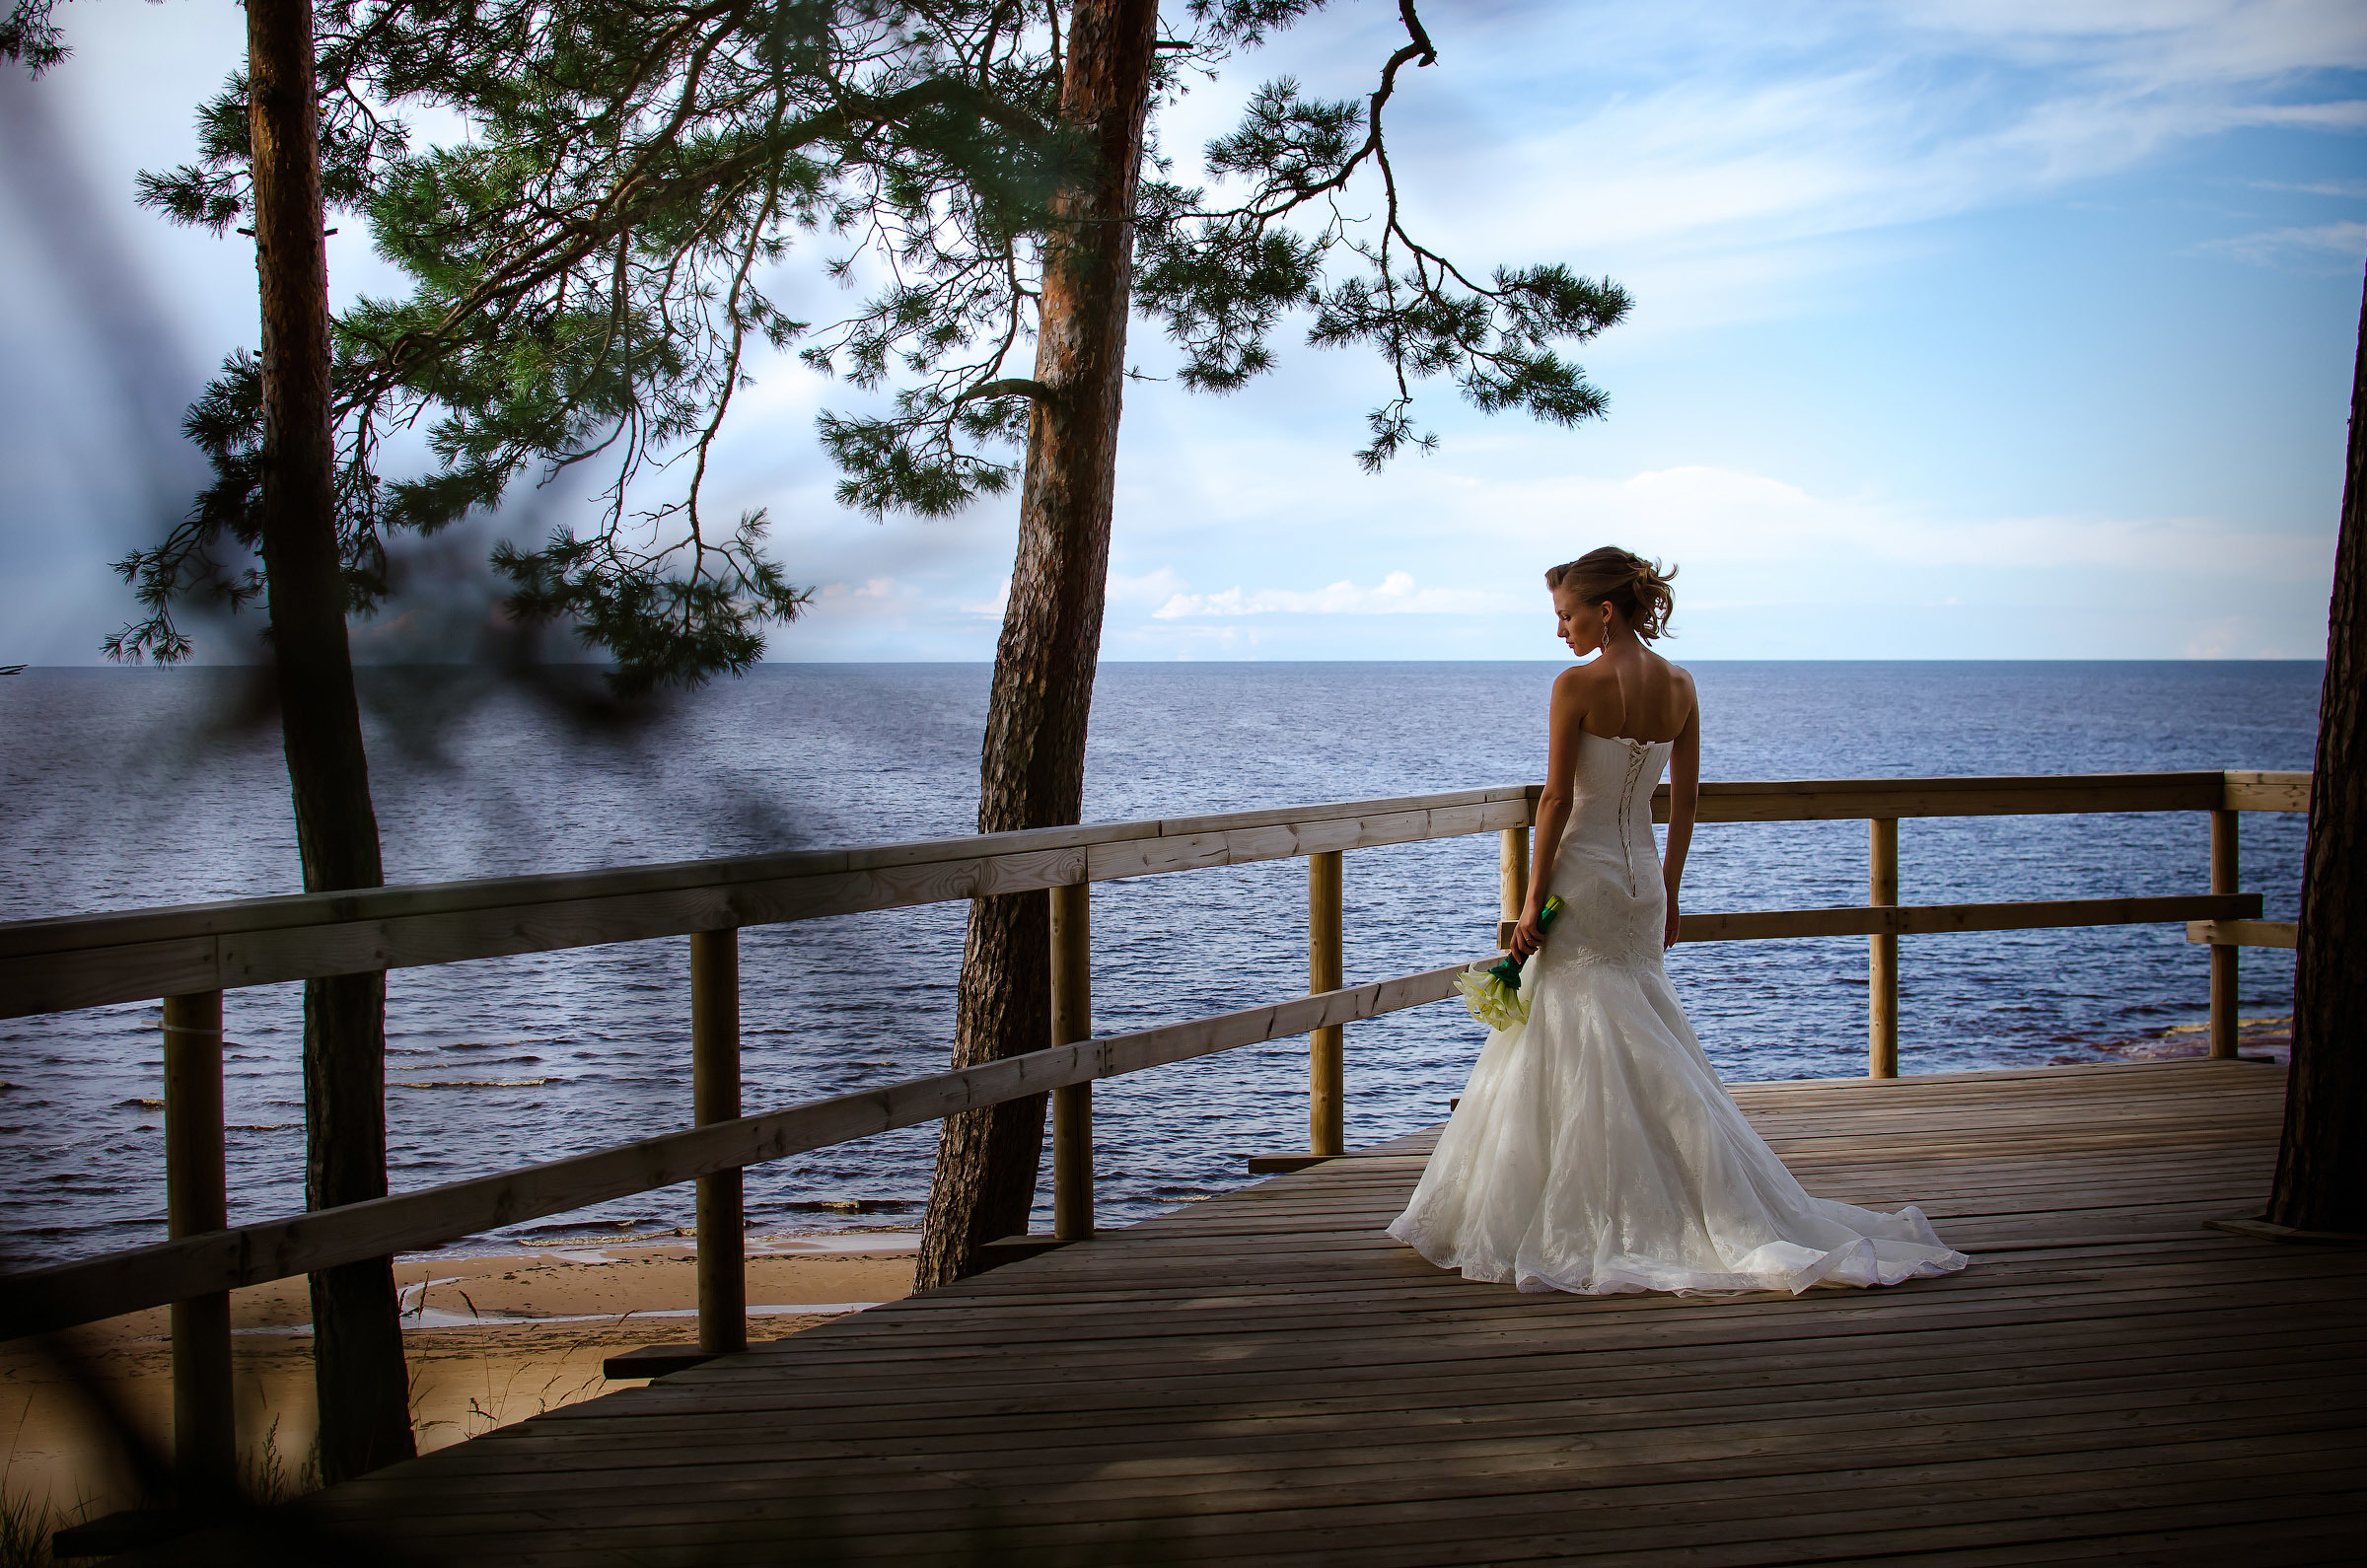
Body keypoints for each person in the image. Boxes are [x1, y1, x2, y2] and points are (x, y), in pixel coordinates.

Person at [1388, 547, 1970, 1295]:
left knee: (1574, 1025)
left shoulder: (1575, 685)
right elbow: (1686, 801)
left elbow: (1557, 802)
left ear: (1604, 609)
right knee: (1639, 1025)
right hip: (1640, 883)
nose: (1559, 631)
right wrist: (1670, 887)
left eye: (1565, 615)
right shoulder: (1682, 684)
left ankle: (1581, 1209)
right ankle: (1693, 1190)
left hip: (1583, 876)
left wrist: (1530, 902)